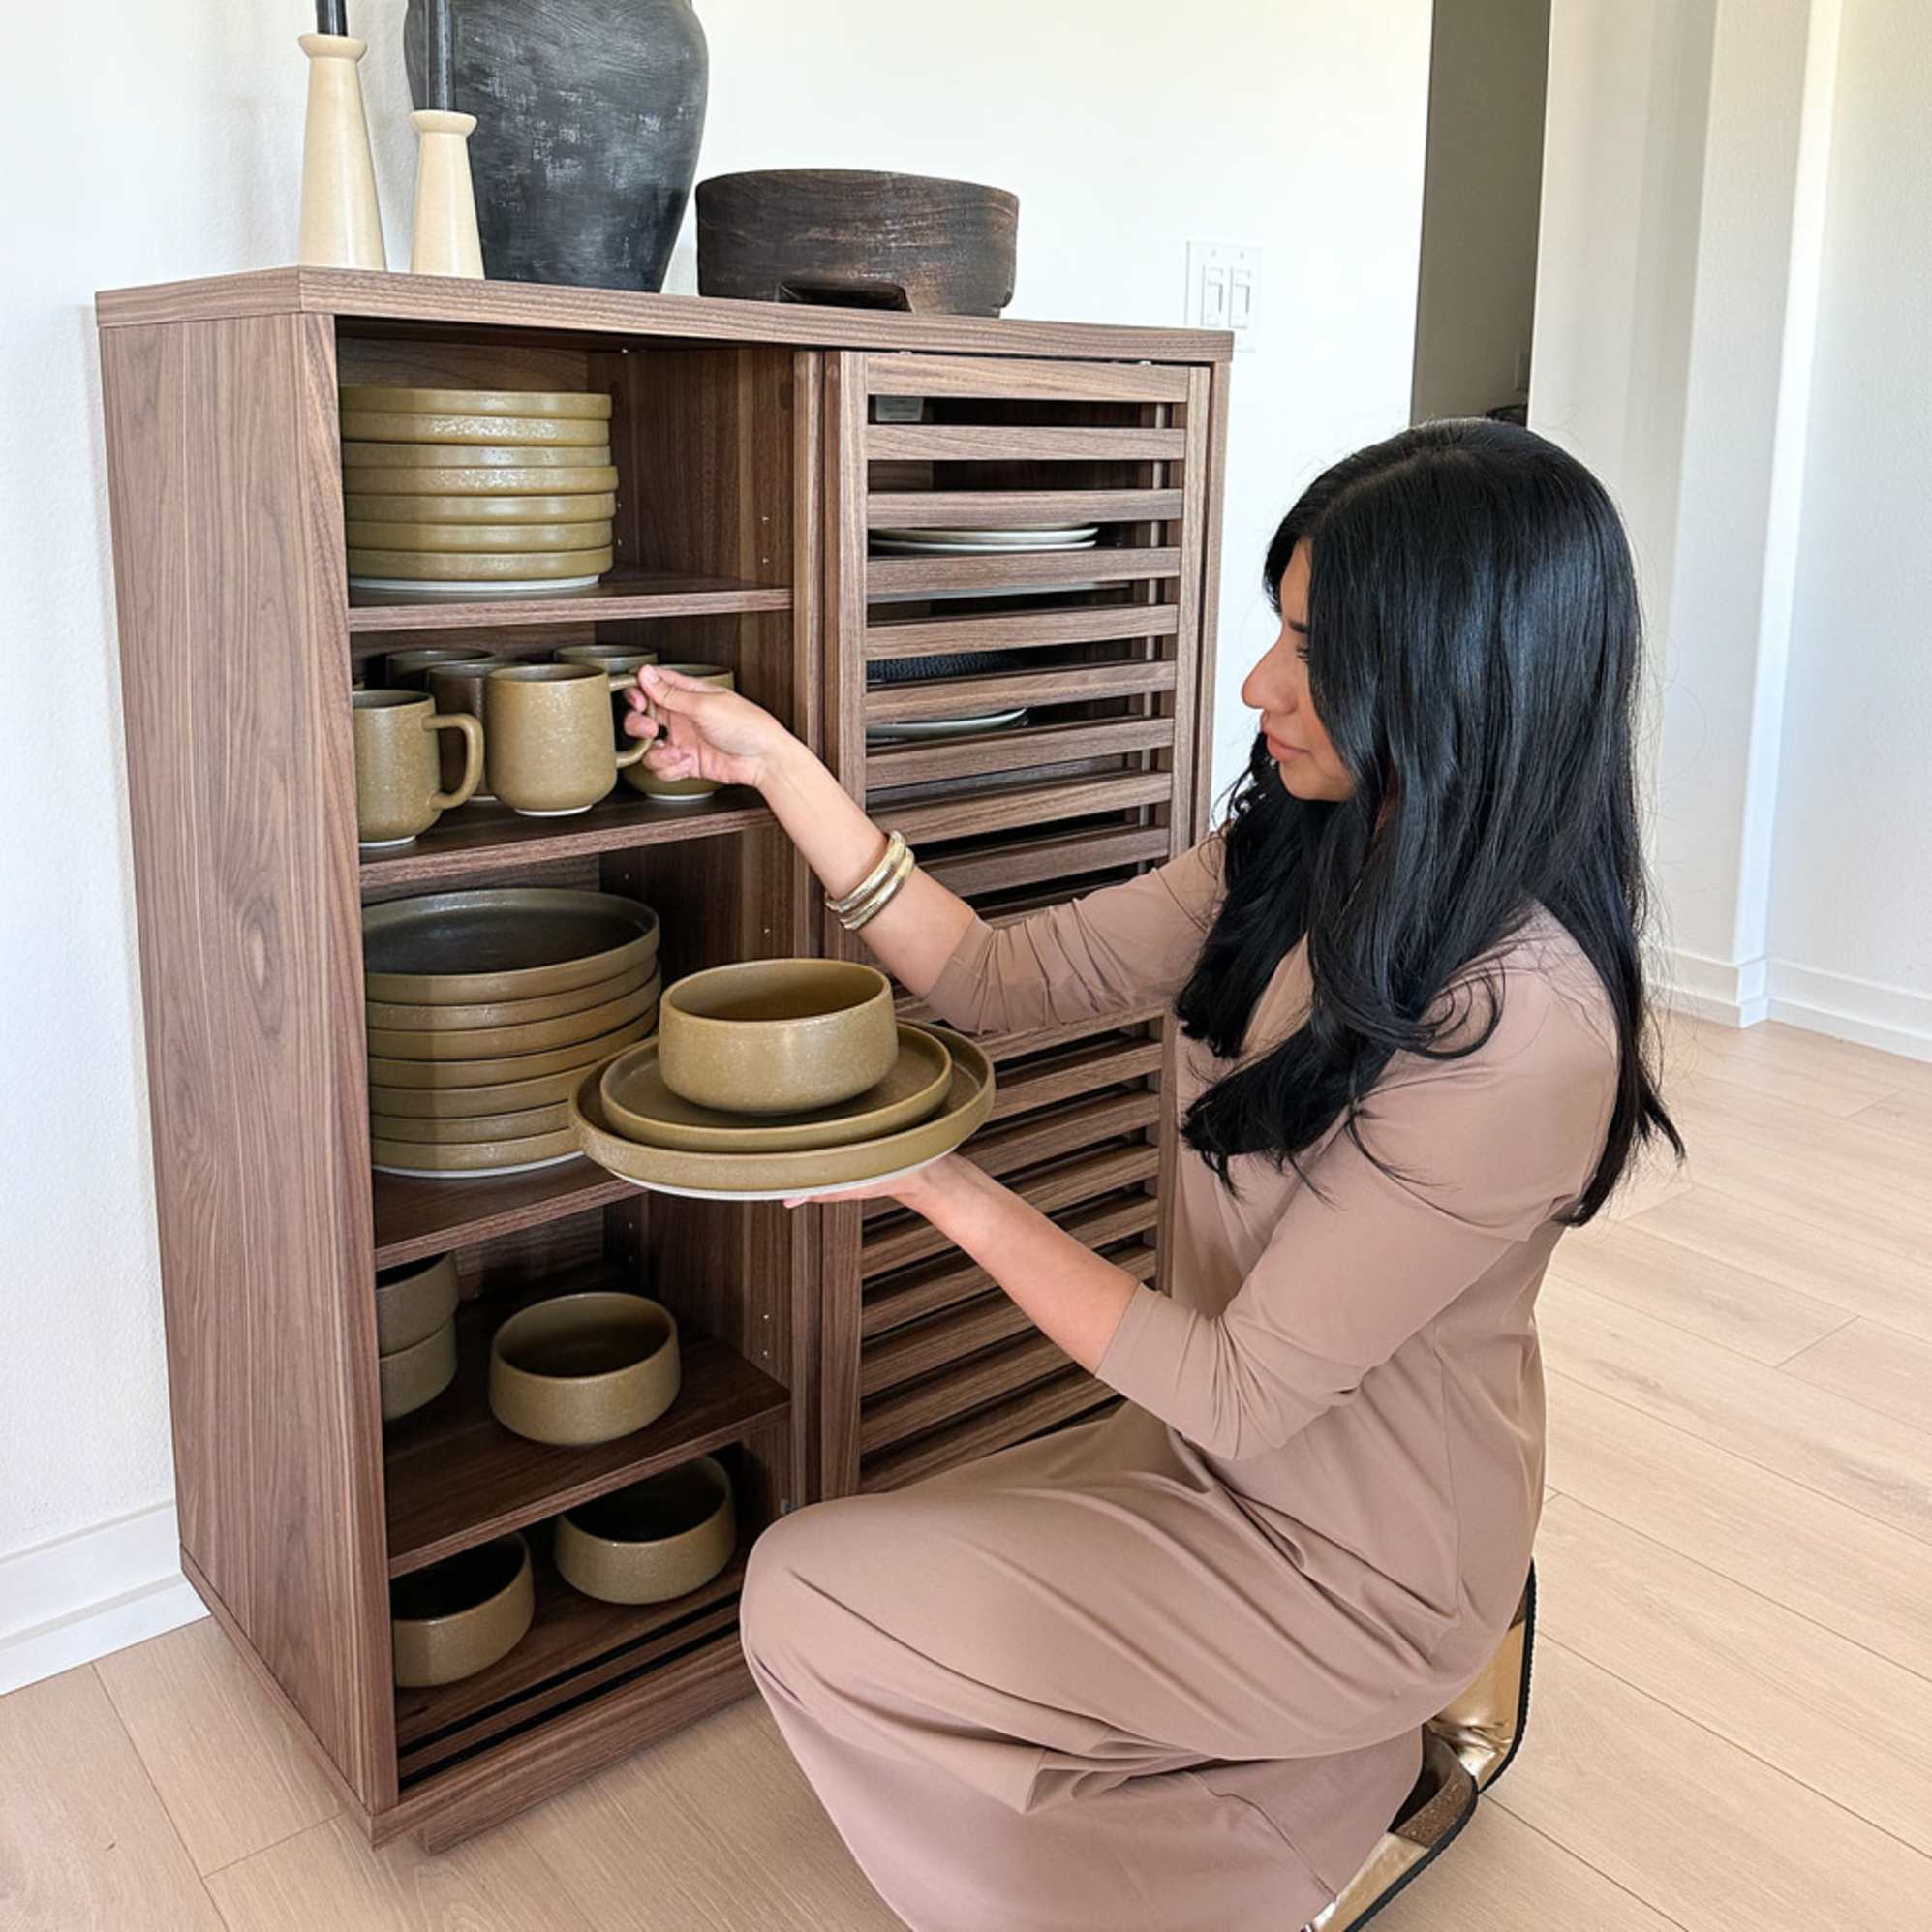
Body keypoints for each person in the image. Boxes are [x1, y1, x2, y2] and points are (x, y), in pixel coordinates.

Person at [620, 417, 1684, 1932]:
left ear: (1463, 680)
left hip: (1358, 1560)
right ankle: (1317, 1774)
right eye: (1278, 630)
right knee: (877, 1602)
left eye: (1316, 653)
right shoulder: (1298, 854)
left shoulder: (1522, 1028)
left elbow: (1242, 1390)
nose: (1257, 685)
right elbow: (988, 977)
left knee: (803, 1593)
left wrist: (936, 1183)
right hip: (1203, 1465)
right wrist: (772, 762)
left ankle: (1298, 1802)